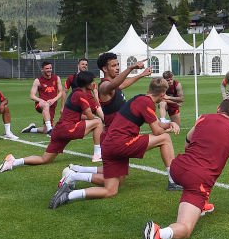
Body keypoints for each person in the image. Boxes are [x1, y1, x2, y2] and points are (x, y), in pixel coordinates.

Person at [139, 99, 229, 239]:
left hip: (177, 168)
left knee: (198, 183)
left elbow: (188, 141)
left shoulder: (203, 118)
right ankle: (158, 233)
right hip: (197, 180)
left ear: (218, 109)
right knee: (185, 229)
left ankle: (201, 206)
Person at [51, 77, 181, 209]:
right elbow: (157, 131)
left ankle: (69, 190)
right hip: (121, 143)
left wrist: (170, 123)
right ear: (162, 94)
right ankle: (173, 181)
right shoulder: (146, 102)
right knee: (165, 139)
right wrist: (170, 129)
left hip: (109, 144)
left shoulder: (140, 98)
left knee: (112, 188)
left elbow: (157, 123)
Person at [0, 71, 104, 173]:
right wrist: (95, 94)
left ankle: (14, 162)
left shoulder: (75, 93)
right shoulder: (81, 95)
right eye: (93, 81)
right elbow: (90, 116)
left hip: (59, 130)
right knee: (98, 122)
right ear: (87, 84)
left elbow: (80, 115)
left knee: (45, 159)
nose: (94, 83)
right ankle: (97, 154)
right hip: (68, 129)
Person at [96, 52, 151, 160]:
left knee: (115, 176)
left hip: (118, 135)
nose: (117, 68)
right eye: (113, 66)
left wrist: (141, 75)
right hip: (112, 137)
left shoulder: (114, 84)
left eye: (117, 65)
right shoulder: (104, 86)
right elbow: (114, 84)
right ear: (105, 69)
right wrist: (131, 68)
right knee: (163, 139)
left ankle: (75, 172)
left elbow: (123, 84)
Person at [22, 61, 64, 135]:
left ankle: (32, 129)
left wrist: (54, 100)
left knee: (45, 129)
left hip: (52, 105)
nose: (49, 70)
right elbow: (32, 96)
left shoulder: (57, 78)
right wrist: (41, 100)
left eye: (50, 68)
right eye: (47, 68)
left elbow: (61, 92)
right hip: (40, 105)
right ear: (42, 70)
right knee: (45, 105)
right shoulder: (37, 80)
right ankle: (50, 130)